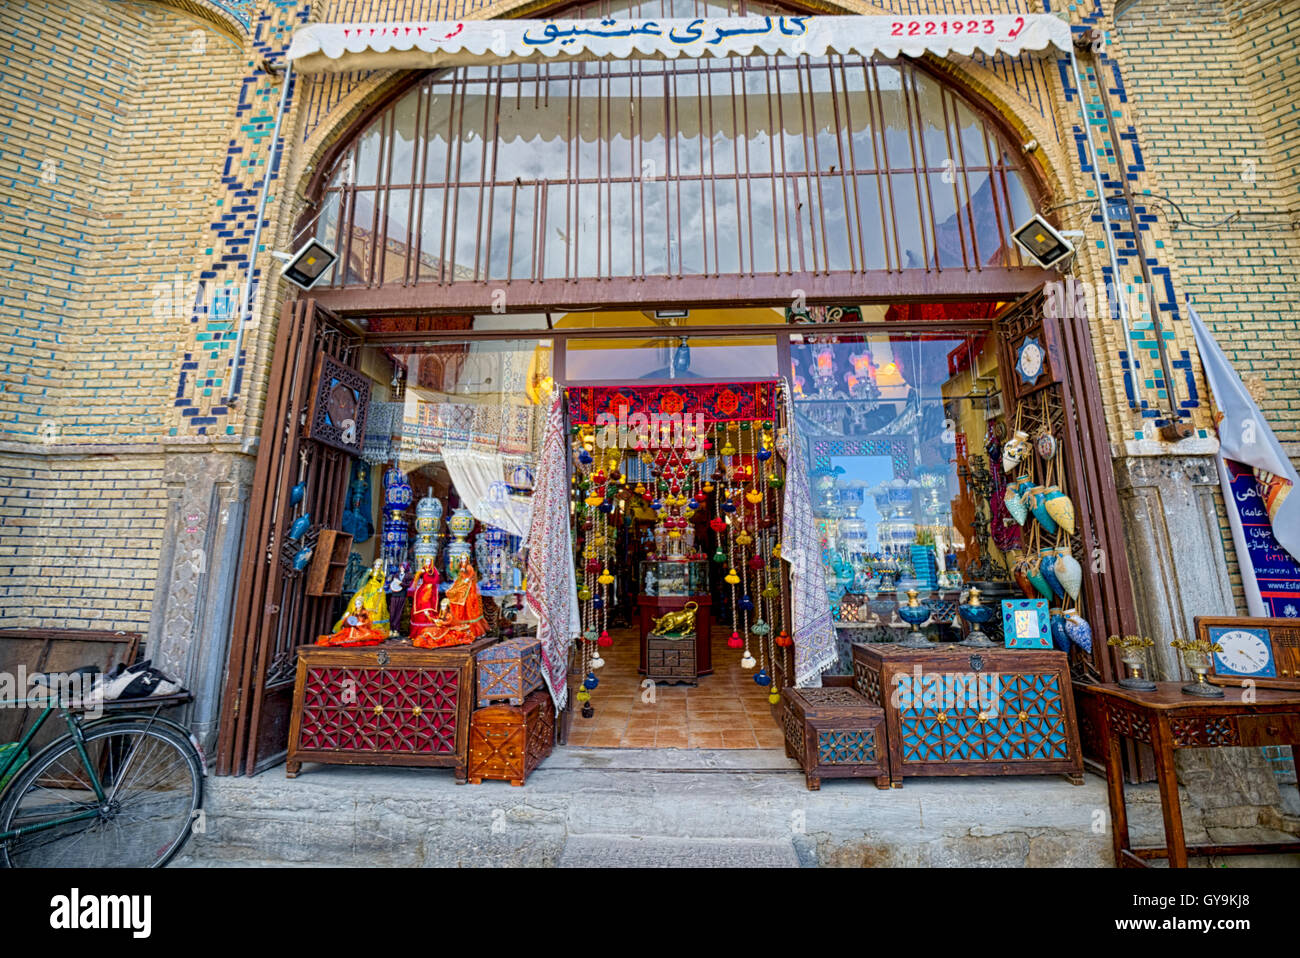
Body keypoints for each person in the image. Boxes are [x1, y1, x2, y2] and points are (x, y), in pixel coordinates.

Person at [412, 560, 488, 648]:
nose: (443, 607)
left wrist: (466, 578)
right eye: (442, 606)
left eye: (444, 606)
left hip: (466, 586)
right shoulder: (442, 613)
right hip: (440, 625)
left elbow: (443, 622)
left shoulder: (448, 616)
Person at [317, 596, 387, 647]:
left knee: (367, 635)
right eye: (356, 604)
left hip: (361, 627)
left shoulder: (365, 612)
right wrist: (346, 617)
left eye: (359, 604)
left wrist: (361, 623)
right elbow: (351, 619)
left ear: (362, 604)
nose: (357, 605)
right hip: (353, 627)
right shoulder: (354, 612)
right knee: (343, 634)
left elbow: (368, 621)